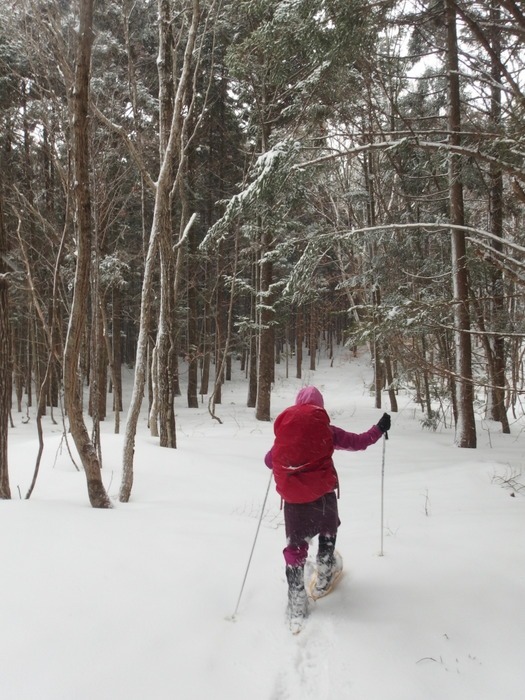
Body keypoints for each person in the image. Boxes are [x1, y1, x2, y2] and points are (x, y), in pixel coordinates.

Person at [264, 386, 391, 631]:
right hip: (323, 497)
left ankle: (297, 598)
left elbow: (269, 461)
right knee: (328, 532)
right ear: (319, 407)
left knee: (296, 547)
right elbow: (358, 442)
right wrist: (379, 428)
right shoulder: (327, 432)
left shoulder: (286, 433)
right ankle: (324, 575)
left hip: (295, 502)